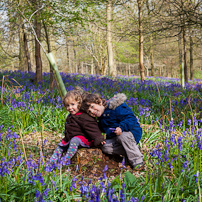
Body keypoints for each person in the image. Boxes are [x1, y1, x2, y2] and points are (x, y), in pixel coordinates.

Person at [81, 93, 143, 169]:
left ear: (99, 102)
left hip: (130, 132)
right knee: (105, 147)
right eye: (89, 112)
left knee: (122, 136)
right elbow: (99, 130)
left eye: (92, 107)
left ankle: (137, 161)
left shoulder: (115, 107)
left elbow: (131, 119)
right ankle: (133, 149)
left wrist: (121, 127)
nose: (92, 111)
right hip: (116, 138)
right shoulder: (101, 118)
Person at [49, 89, 105, 165]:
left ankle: (65, 160)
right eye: (67, 105)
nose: (70, 108)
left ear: (79, 104)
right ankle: (52, 160)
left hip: (84, 139)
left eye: (72, 104)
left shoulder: (84, 117)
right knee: (61, 144)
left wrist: (99, 139)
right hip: (72, 137)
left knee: (75, 140)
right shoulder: (71, 116)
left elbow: (93, 128)